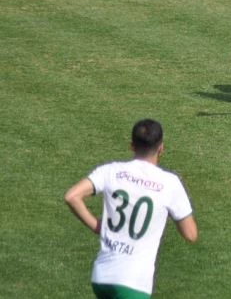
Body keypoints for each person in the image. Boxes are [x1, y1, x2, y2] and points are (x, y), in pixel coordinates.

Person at [64, 119, 198, 298]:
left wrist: (97, 225)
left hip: (102, 276)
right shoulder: (170, 183)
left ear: (132, 146)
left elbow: (72, 196)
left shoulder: (110, 171)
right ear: (161, 148)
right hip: (133, 282)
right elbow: (190, 234)